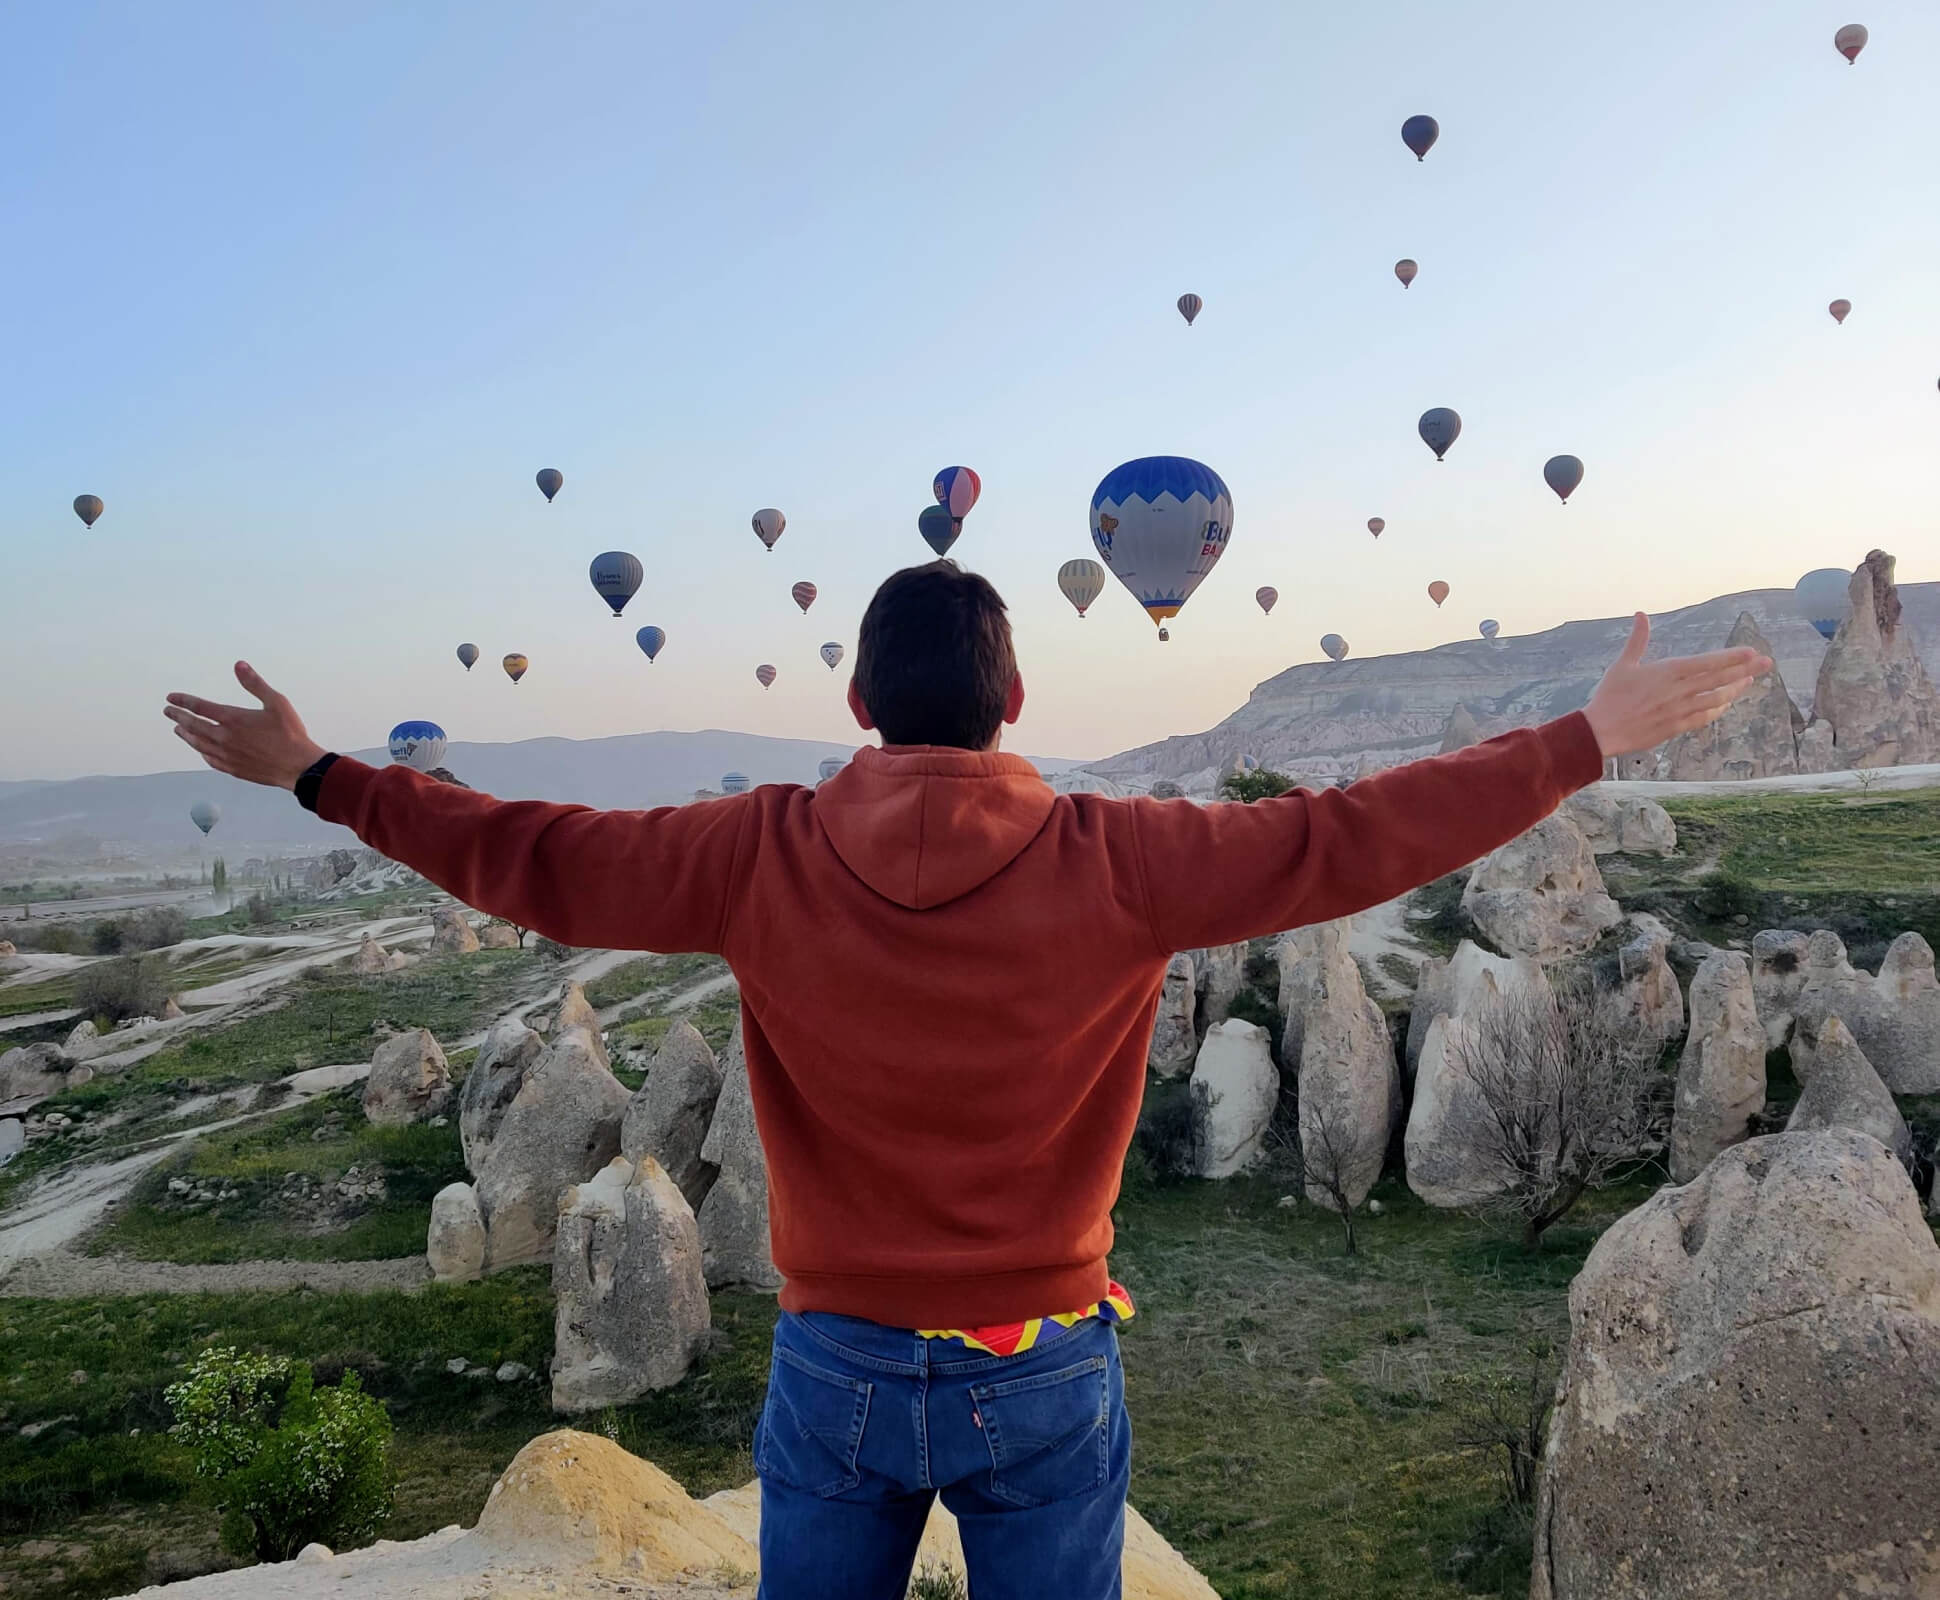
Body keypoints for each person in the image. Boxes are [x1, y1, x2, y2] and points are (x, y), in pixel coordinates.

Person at [165, 561, 1766, 1599]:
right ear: (1015, 701)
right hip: (1040, 1362)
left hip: (835, 1365)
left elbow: (535, 858)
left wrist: (321, 774)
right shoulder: (1122, 856)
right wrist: (1580, 737)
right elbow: (1354, 837)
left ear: (857, 703)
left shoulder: (757, 851)